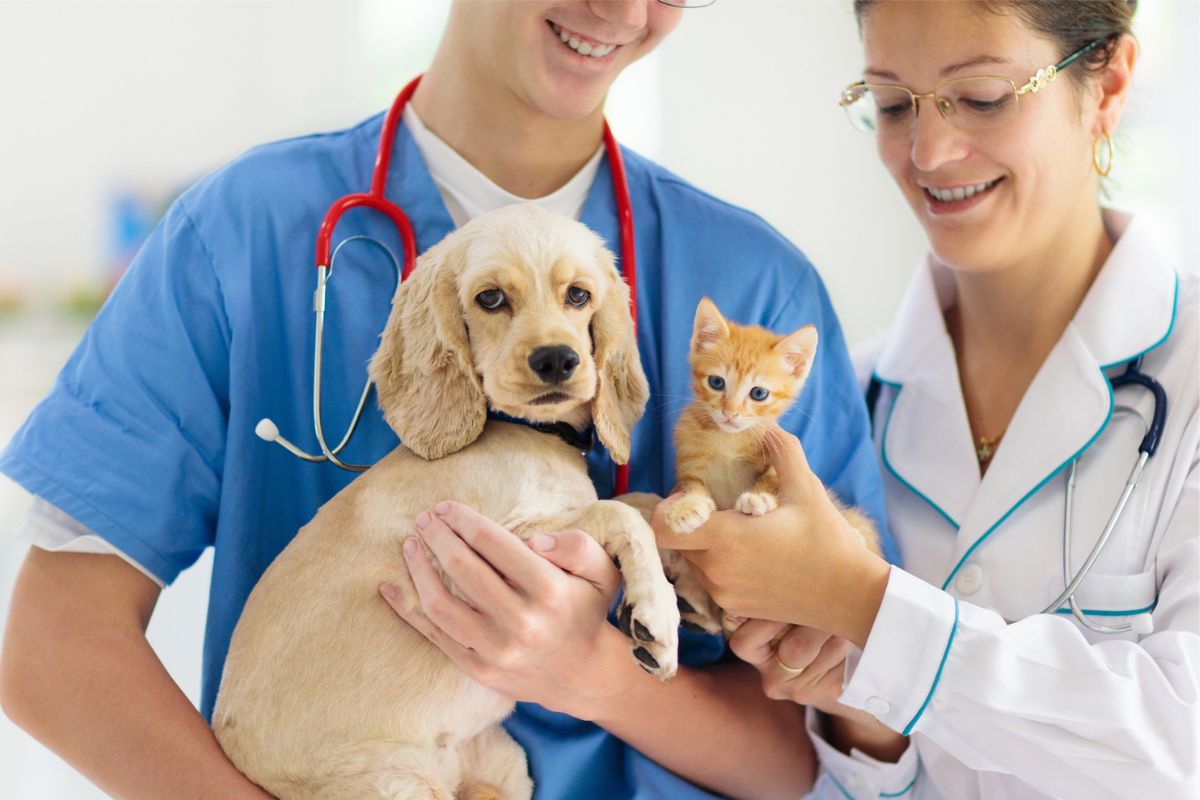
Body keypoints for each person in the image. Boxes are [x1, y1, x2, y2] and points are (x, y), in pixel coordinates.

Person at [0, 2, 896, 798]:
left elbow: (805, 759)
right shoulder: (238, 235)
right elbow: (52, 648)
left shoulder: (753, 290)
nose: (624, 8)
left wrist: (598, 675)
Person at [653, 0, 1198, 797]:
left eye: (981, 97)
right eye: (892, 104)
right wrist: (861, 721)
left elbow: (1182, 747)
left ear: (1108, 83)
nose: (929, 151)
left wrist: (866, 605)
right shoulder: (854, 399)